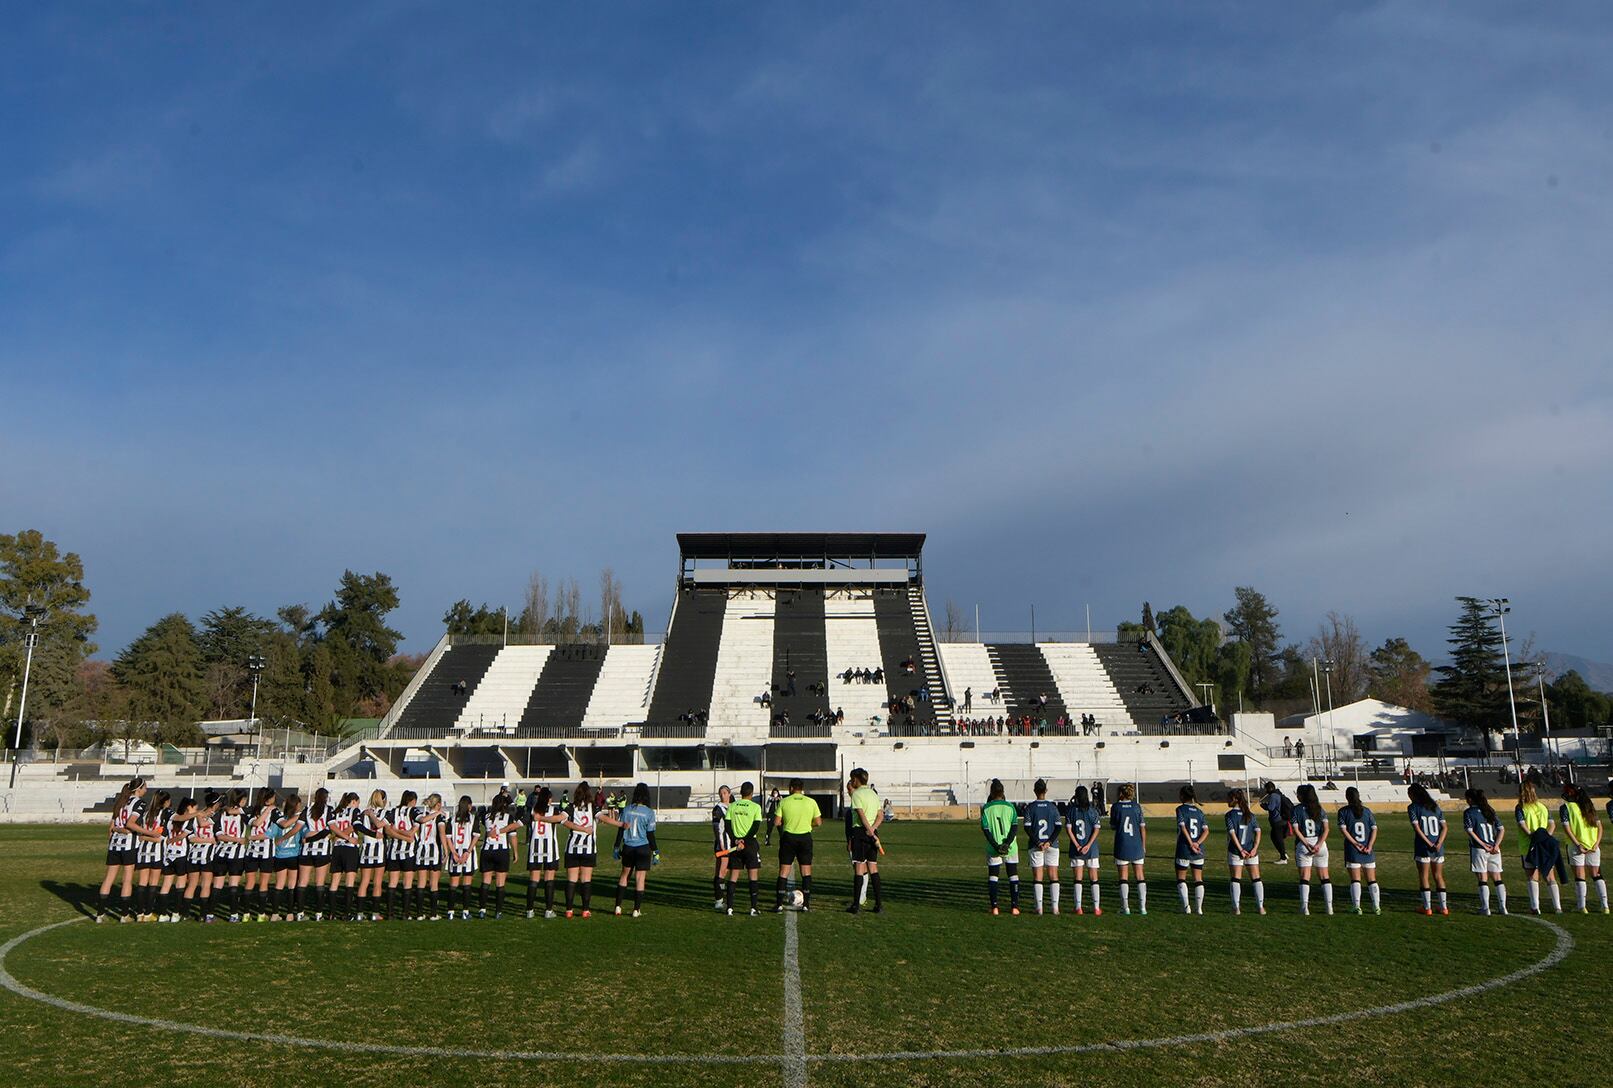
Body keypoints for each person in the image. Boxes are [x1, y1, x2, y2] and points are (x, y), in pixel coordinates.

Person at [96, 776, 149, 922]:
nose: (147, 790)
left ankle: (100, 914)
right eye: (145, 788)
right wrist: (148, 832)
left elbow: (111, 828)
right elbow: (131, 824)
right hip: (128, 845)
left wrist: (118, 832)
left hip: (114, 844)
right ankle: (124, 915)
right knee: (127, 879)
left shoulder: (121, 801)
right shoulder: (139, 803)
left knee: (108, 878)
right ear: (138, 789)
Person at [604, 782, 659, 917]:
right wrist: (656, 851)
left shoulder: (627, 809)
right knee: (640, 879)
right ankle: (636, 910)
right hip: (643, 848)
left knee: (624, 876)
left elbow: (621, 829)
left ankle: (618, 907)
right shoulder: (649, 812)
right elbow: (650, 834)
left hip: (628, 847)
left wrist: (616, 847)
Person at [774, 778, 822, 912]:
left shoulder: (784, 801)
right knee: (806, 871)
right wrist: (808, 824)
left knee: (784, 871)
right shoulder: (811, 802)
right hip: (805, 837)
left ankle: (778, 904)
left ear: (790, 788)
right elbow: (818, 822)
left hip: (788, 837)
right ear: (802, 788)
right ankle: (806, 904)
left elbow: (777, 822)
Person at [1515, 780, 1562, 914]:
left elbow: (1522, 824)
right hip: (1545, 845)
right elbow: (1552, 824)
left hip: (1528, 845)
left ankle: (1535, 906)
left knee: (1532, 875)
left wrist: (1533, 836)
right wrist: (1545, 837)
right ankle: (1557, 907)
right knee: (1550, 875)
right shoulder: (1543, 807)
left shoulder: (1521, 807)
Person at [1560, 783, 1607, 914]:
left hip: (1577, 846)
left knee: (1580, 877)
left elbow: (1566, 827)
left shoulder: (1566, 807)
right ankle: (1605, 905)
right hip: (1593, 845)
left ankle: (1582, 906)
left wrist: (1578, 844)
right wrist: (1596, 843)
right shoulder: (1589, 807)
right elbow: (1600, 827)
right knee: (1597, 875)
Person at [1463, 788, 1508, 916]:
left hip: (1479, 849)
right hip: (1494, 849)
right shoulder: (1489, 811)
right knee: (1498, 878)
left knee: (1483, 879)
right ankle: (1503, 907)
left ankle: (1485, 908)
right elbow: (1501, 829)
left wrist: (1483, 844)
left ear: (1470, 799)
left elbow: (1470, 830)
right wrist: (1496, 845)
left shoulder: (1469, 812)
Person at [722, 781, 765, 916]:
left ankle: (729, 908)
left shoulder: (732, 806)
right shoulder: (756, 807)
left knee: (733, 876)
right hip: (750, 844)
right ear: (751, 793)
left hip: (736, 845)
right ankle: (753, 908)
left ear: (740, 792)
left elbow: (727, 826)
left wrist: (736, 839)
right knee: (752, 876)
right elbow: (755, 826)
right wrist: (745, 840)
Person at [846, 768, 885, 914]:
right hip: (872, 833)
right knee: (873, 868)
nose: (851, 781)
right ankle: (879, 905)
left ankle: (856, 905)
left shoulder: (857, 794)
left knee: (859, 869)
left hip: (860, 833)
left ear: (856, 779)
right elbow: (880, 815)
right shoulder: (873, 794)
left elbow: (861, 816)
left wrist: (868, 830)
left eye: (851, 779)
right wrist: (873, 831)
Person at [1290, 783, 1333, 915]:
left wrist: (1307, 844)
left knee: (1304, 877)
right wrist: (1319, 844)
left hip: (1305, 844)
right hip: (1320, 844)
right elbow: (1326, 829)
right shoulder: (1320, 809)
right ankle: (1329, 907)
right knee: (1325, 877)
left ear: (1301, 796)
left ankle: (1304, 907)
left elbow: (1296, 830)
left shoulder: (1296, 810)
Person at [1337, 787, 1380, 915]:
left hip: (1353, 849)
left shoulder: (1343, 812)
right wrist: (1370, 845)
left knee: (1355, 879)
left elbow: (1344, 830)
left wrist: (1355, 843)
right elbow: (1374, 829)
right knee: (1372, 879)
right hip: (1367, 849)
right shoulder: (1366, 811)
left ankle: (1357, 906)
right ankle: (1376, 907)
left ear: (1347, 797)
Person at [980, 779, 1021, 916]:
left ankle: (995, 907)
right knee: (1013, 875)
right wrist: (1007, 844)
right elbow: (1015, 827)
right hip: (1011, 848)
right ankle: (1014, 907)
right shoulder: (1010, 807)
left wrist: (997, 846)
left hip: (993, 848)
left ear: (991, 793)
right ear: (1003, 792)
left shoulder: (986, 808)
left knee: (993, 877)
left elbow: (986, 831)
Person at [1407, 783, 1448, 916]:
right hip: (1438, 847)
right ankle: (1444, 907)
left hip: (1423, 846)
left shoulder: (1413, 807)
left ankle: (1427, 907)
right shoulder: (1435, 807)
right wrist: (1439, 843)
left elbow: (1417, 828)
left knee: (1424, 876)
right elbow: (1445, 828)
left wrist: (1428, 842)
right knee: (1438, 876)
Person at [524, 787, 564, 918]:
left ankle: (529, 911)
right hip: (550, 848)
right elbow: (562, 819)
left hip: (535, 848)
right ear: (549, 799)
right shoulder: (554, 810)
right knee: (549, 879)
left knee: (534, 880)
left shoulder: (533, 810)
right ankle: (548, 910)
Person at [1024, 779, 1062, 915]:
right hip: (1052, 845)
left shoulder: (1030, 807)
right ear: (1046, 791)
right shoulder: (1052, 807)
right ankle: (1055, 908)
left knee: (1038, 876)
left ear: (1035, 791)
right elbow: (1058, 827)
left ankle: (1039, 908)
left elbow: (1027, 828)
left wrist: (1038, 842)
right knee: (1053, 875)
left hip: (1036, 846)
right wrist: (1050, 842)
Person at [212, 789, 251, 922]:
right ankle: (233, 915)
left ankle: (209, 914)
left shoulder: (221, 813)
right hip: (236, 854)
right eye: (244, 800)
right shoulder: (242, 813)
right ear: (240, 800)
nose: (245, 803)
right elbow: (255, 823)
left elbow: (219, 835)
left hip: (221, 853)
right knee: (233, 885)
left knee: (217, 885)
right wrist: (238, 840)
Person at [132, 789, 170, 922]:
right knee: (153, 883)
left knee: (142, 883)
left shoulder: (146, 813)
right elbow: (160, 838)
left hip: (142, 852)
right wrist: (149, 837)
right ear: (165, 802)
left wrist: (144, 838)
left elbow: (141, 836)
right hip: (156, 853)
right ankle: (148, 913)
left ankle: (139, 913)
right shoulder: (163, 814)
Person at [1224, 788, 1264, 915]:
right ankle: (1261, 907)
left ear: (1235, 799)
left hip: (1237, 850)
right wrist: (1254, 848)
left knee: (1236, 879)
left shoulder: (1229, 815)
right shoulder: (1250, 814)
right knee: (1256, 879)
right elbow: (1258, 831)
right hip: (1251, 850)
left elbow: (1232, 834)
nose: (1227, 800)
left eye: (1229, 798)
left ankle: (1236, 907)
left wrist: (1240, 849)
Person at [478, 792, 517, 919]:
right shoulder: (508, 817)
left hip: (487, 850)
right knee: (500, 883)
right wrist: (516, 852)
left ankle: (482, 910)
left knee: (486, 881)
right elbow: (512, 835)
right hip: (502, 851)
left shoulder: (487, 816)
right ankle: (498, 912)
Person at [383, 789, 421, 921]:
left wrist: (397, 832)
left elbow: (387, 830)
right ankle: (406, 913)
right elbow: (411, 833)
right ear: (412, 801)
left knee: (392, 883)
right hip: (408, 852)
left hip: (393, 852)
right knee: (407, 883)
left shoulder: (393, 811)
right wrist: (405, 837)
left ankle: (390, 913)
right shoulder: (413, 811)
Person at [562, 782, 598, 918]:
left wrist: (542, 817)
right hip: (588, 849)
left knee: (571, 880)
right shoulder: (593, 807)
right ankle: (585, 910)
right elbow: (603, 817)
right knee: (586, 880)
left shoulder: (571, 807)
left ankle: (569, 910)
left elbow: (563, 820)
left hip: (572, 848)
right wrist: (620, 824)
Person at [1110, 783, 1147, 915]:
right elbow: (1142, 827)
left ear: (1120, 793)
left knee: (1123, 877)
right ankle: (1142, 907)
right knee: (1140, 876)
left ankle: (1125, 907)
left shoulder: (1116, 807)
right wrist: (1143, 845)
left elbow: (1113, 825)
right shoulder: (1137, 807)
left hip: (1122, 843)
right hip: (1136, 843)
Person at [326, 791, 364, 921]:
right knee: (349, 882)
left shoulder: (336, 812)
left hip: (337, 848)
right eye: (357, 802)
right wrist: (346, 836)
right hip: (349, 847)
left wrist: (337, 836)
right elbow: (354, 826)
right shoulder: (354, 811)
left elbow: (333, 829)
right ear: (353, 801)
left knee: (334, 883)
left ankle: (332, 914)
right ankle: (346, 914)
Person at [297, 787, 334, 920]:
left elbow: (298, 827)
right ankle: (319, 914)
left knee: (302, 881)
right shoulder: (328, 810)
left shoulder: (307, 810)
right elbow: (329, 830)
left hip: (306, 849)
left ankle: (300, 913)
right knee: (319, 882)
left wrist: (307, 838)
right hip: (322, 849)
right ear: (325, 798)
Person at [1066, 785, 1102, 915]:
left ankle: (1078, 907)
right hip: (1091, 849)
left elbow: (1069, 830)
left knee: (1078, 879)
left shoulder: (1071, 811)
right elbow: (1096, 829)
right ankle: (1096, 907)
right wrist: (1088, 845)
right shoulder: (1092, 811)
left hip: (1077, 848)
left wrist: (1077, 845)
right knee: (1094, 879)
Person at [1174, 784, 1209, 915]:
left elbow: (1183, 828)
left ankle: (1186, 907)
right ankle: (1199, 908)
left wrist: (1191, 844)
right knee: (1198, 878)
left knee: (1181, 878)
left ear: (1183, 796)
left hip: (1184, 848)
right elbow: (1206, 830)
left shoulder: (1180, 809)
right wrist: (1198, 843)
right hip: (1199, 850)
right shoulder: (1199, 812)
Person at [271, 793, 307, 921]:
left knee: (279, 884)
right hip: (293, 854)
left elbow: (270, 834)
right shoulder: (300, 820)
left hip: (280, 854)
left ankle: (275, 914)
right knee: (292, 884)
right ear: (297, 805)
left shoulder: (280, 820)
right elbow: (305, 834)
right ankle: (290, 913)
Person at [444, 795, 481, 919]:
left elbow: (448, 837)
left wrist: (453, 852)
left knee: (453, 884)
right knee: (467, 883)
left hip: (455, 852)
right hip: (467, 853)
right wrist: (468, 852)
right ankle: (465, 912)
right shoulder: (473, 818)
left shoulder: (452, 819)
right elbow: (476, 836)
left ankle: (450, 912)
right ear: (469, 806)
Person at [354, 789, 388, 922]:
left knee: (364, 881)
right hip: (378, 849)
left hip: (366, 849)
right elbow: (379, 825)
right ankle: (375, 913)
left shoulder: (364, 813)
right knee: (377, 882)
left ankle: (359, 913)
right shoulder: (384, 812)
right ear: (383, 799)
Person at [413, 793, 445, 919]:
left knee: (421, 883)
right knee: (434, 884)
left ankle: (420, 914)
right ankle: (433, 914)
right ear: (438, 804)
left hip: (421, 850)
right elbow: (442, 834)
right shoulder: (439, 817)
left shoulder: (422, 815)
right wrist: (446, 850)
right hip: (434, 851)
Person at [711, 784, 736, 912]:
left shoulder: (733, 806)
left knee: (726, 871)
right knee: (721, 871)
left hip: (732, 844)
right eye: (720, 793)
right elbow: (716, 828)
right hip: (723, 844)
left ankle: (721, 898)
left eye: (724, 793)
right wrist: (721, 845)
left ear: (729, 793)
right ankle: (719, 900)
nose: (722, 795)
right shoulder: (718, 808)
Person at [1261, 782, 1291, 864]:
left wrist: (1264, 806)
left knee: (1277, 839)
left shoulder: (1273, 796)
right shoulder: (1279, 794)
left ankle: (1283, 857)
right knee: (1276, 838)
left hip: (1277, 820)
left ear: (1269, 788)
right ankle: (1283, 853)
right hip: (1283, 820)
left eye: (1266, 789)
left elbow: (1271, 808)